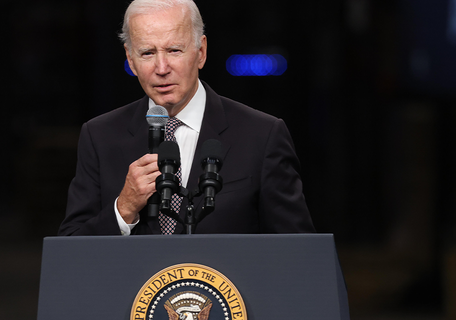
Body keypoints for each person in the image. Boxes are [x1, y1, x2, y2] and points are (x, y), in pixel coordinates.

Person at [58, 0, 314, 236]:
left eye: (174, 50)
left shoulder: (262, 135)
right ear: (130, 59)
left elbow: (298, 252)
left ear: (200, 51)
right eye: (147, 53)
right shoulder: (100, 136)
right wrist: (123, 209)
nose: (161, 68)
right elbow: (71, 251)